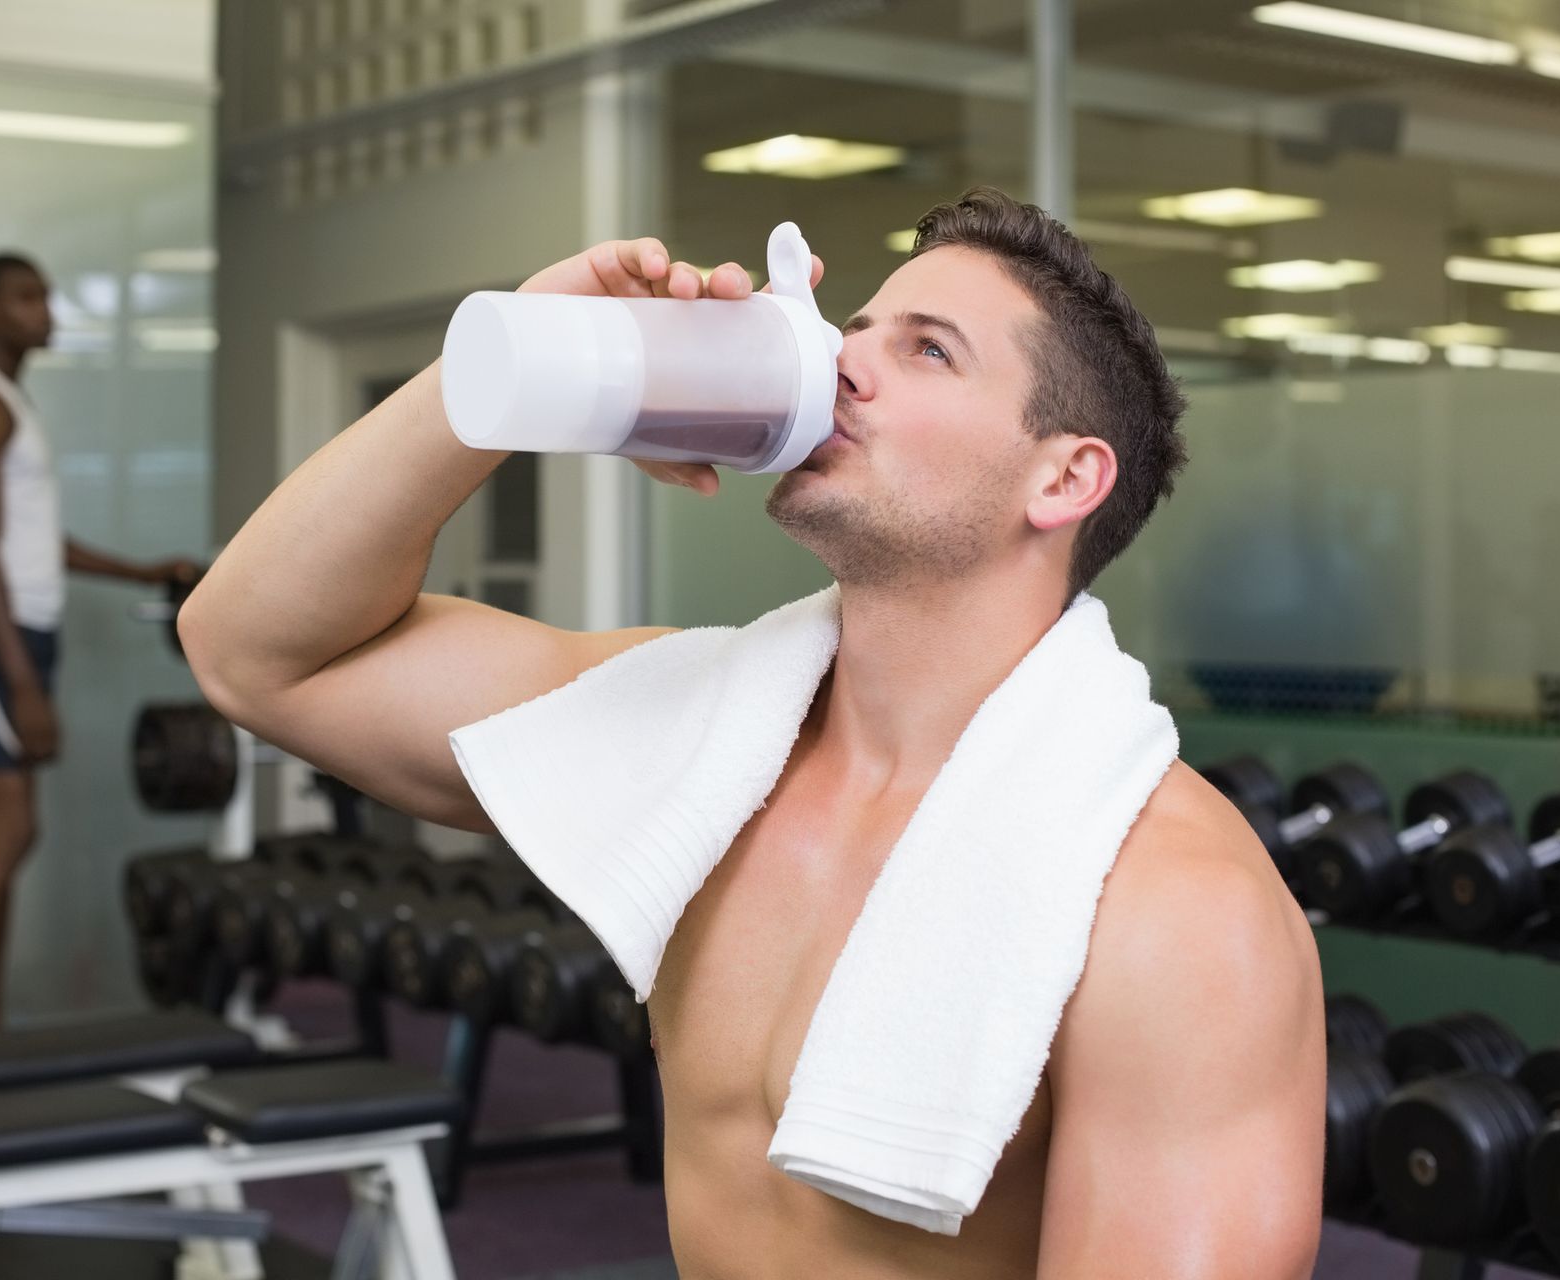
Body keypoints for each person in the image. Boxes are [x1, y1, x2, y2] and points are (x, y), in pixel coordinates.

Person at [180, 188, 1324, 1276]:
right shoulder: (698, 740)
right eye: (855, 325)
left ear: (1064, 476)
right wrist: (515, 365)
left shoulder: (1175, 913)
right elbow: (256, 652)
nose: (841, 360)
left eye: (926, 348)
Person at [0, 252, 198, 1039]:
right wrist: (22, 684)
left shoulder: (6, 400)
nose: (44, 313)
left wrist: (143, 570)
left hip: (19, 625)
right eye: (26, 298)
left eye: (45, 298)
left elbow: (32, 542)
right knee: (12, 831)